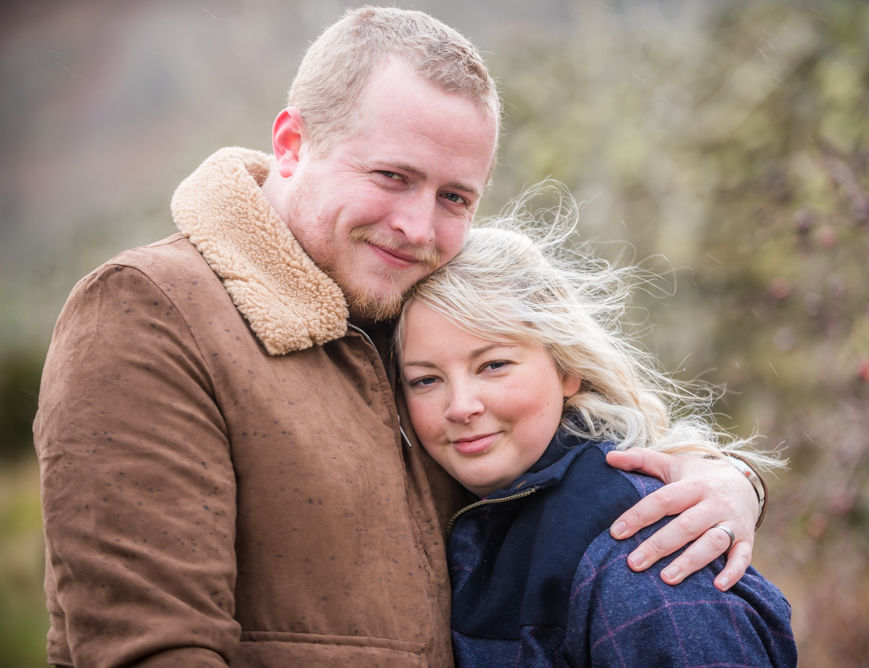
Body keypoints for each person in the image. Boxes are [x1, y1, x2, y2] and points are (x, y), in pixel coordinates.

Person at [33, 6, 769, 667]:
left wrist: (723, 480)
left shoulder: (412, 310)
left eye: (455, 197)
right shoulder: (151, 311)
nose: (418, 228)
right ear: (291, 143)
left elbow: (561, 444)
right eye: (391, 176)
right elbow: (151, 647)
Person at [396, 206, 797, 666]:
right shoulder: (470, 513)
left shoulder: (639, 546)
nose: (460, 406)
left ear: (567, 369)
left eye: (493, 365)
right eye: (425, 380)